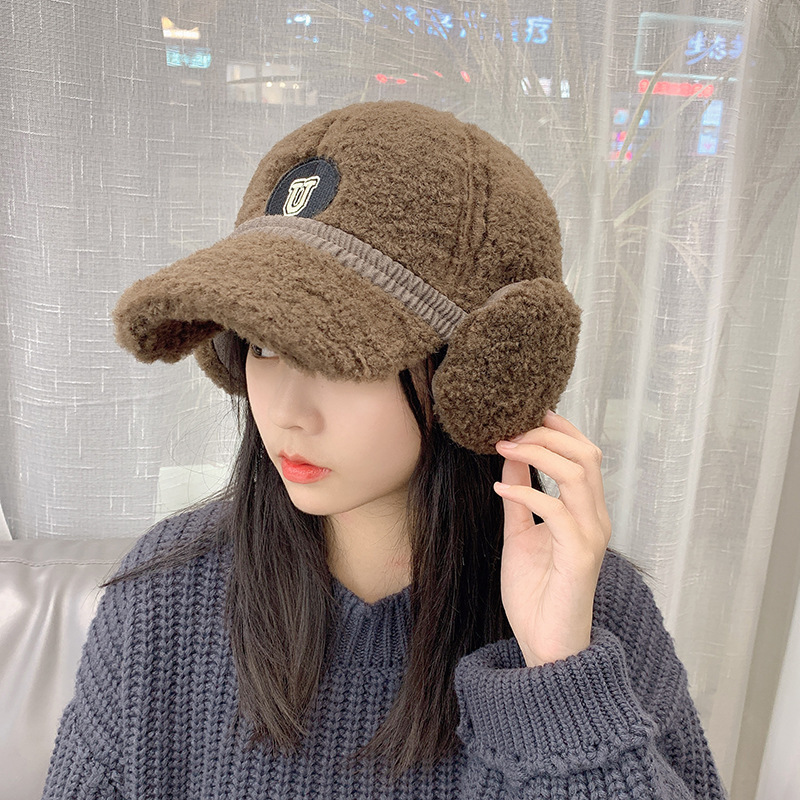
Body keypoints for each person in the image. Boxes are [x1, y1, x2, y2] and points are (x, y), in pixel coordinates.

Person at [41, 100, 728, 799]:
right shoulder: (162, 599)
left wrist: (559, 680)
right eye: (264, 344)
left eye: (339, 356)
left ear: (487, 375)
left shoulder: (593, 607)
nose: (286, 413)